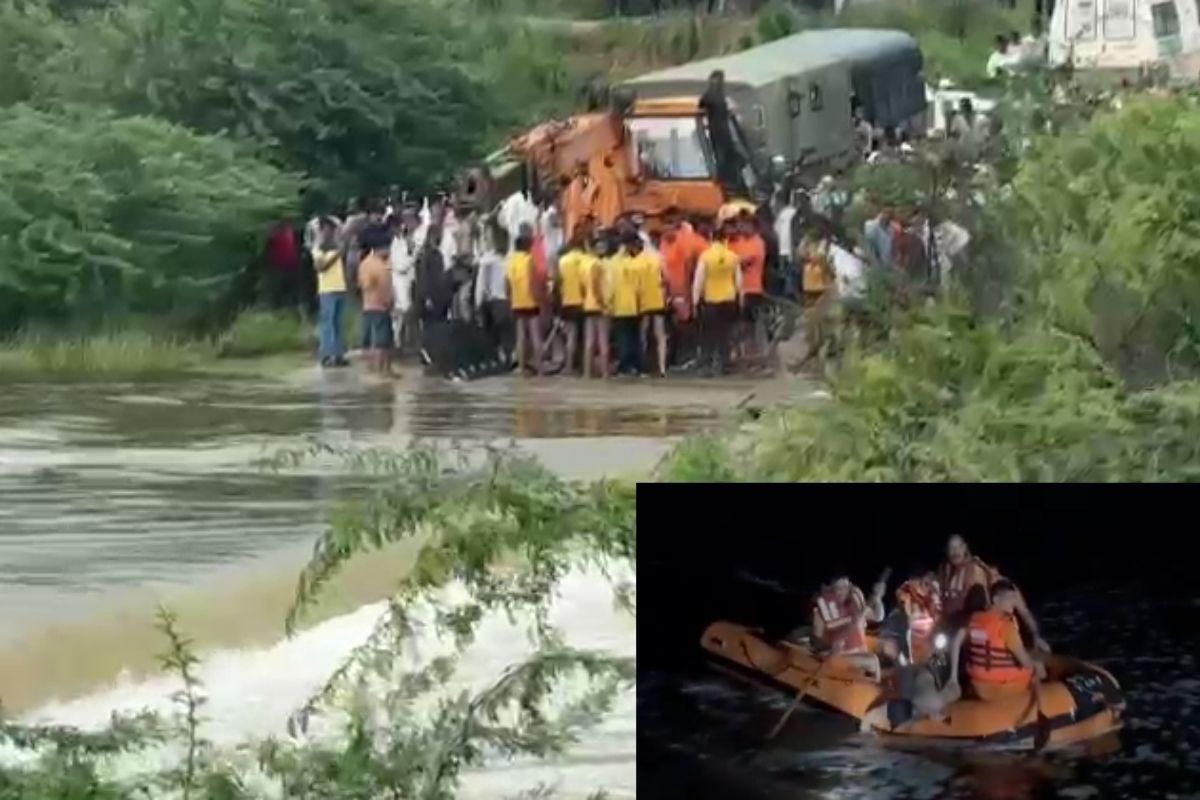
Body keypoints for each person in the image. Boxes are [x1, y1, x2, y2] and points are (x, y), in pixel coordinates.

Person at [938, 536, 1049, 654]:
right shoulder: (949, 573)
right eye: (951, 548)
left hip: (978, 637)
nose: (955, 552)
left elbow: (1024, 612)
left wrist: (1035, 635)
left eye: (958, 547)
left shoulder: (1005, 588)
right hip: (953, 634)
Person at [949, 580, 1047, 703]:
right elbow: (1026, 663)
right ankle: (1044, 703)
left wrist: (953, 678)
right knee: (1039, 668)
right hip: (1002, 686)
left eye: (1014, 598)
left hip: (978, 684)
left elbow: (955, 641)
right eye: (1009, 598)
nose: (1014, 603)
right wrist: (1037, 664)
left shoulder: (974, 620)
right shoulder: (1005, 625)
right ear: (995, 600)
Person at [692, 218, 743, 376]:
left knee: (708, 335)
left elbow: (699, 280)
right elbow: (739, 281)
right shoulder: (733, 256)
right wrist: (740, 298)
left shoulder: (705, 256)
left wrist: (695, 300)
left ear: (711, 238)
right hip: (729, 299)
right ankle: (725, 365)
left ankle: (706, 366)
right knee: (725, 334)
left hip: (711, 300)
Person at [811, 574, 886, 679]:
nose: (842, 591)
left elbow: (878, 617)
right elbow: (817, 640)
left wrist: (877, 599)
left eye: (845, 587)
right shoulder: (821, 610)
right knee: (873, 661)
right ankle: (872, 688)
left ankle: (869, 684)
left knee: (875, 659)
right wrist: (831, 646)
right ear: (830, 589)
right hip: (837, 657)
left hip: (856, 654)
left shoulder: (854, 604)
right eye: (838, 588)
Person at [729, 213, 766, 365]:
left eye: (744, 224)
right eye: (739, 224)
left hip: (752, 289)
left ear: (752, 226)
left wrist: (731, 261)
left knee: (749, 325)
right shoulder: (738, 242)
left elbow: (743, 261)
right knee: (738, 323)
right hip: (738, 289)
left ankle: (755, 356)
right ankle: (740, 355)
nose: (741, 227)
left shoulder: (757, 242)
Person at [357, 225, 395, 375]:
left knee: (377, 340)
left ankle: (378, 369)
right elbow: (376, 288)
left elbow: (364, 285)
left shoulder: (367, 263)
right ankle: (382, 370)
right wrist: (386, 301)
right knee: (381, 341)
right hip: (379, 306)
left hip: (371, 306)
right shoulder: (377, 266)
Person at [312, 217, 349, 368]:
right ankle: (326, 355)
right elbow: (320, 267)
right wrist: (337, 255)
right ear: (322, 230)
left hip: (340, 286)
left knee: (338, 323)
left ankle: (338, 354)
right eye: (327, 229)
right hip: (327, 289)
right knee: (328, 323)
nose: (330, 232)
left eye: (332, 230)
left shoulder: (336, 245)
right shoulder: (318, 248)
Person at [506, 226, 543, 377]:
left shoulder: (511, 261)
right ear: (528, 246)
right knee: (535, 335)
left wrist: (510, 298)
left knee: (520, 336)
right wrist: (538, 299)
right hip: (530, 301)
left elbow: (507, 283)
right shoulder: (529, 260)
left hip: (517, 302)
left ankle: (521, 368)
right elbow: (534, 283)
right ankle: (540, 370)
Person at [476, 221, 514, 363]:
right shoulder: (509, 258)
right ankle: (508, 358)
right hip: (508, 301)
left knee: (492, 335)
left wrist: (478, 303)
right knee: (507, 335)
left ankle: (495, 359)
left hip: (493, 302)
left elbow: (482, 285)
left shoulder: (487, 260)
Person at [632, 233, 669, 377]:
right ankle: (662, 367)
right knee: (660, 335)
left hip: (643, 300)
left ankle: (644, 366)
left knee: (643, 333)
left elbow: (635, 284)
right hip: (658, 299)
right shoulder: (659, 257)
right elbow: (667, 278)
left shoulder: (636, 260)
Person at [554, 231, 590, 374]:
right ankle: (583, 367)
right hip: (585, 302)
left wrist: (557, 306)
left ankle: (569, 366)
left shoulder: (563, 261)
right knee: (585, 337)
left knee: (571, 336)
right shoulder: (586, 260)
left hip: (568, 301)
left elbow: (558, 283)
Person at [699, 70, 741, 189]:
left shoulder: (711, 95)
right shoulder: (718, 96)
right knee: (723, 156)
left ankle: (722, 180)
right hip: (722, 131)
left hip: (718, 130)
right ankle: (724, 181)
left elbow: (701, 104)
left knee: (722, 156)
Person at [609, 230, 643, 376]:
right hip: (633, 304)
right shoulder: (634, 262)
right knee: (632, 336)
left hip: (620, 305)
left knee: (624, 336)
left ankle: (626, 365)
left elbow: (610, 285)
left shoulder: (613, 262)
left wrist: (609, 304)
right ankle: (630, 365)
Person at [583, 230, 612, 379]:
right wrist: (603, 304)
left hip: (588, 305)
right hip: (598, 305)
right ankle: (605, 373)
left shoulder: (587, 264)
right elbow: (596, 286)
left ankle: (587, 373)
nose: (603, 249)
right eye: (600, 247)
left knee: (589, 341)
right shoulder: (598, 265)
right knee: (602, 340)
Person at [389, 215, 417, 356]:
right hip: (399, 280)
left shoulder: (406, 241)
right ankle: (398, 342)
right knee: (401, 311)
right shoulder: (395, 244)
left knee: (407, 311)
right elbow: (400, 265)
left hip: (408, 280)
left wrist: (412, 251)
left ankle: (405, 342)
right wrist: (413, 257)